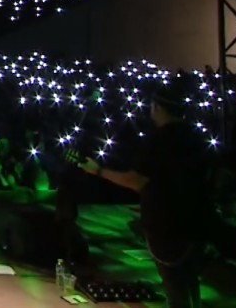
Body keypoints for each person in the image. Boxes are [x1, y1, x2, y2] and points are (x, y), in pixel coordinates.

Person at [77, 85, 211, 308]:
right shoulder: (195, 138)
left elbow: (136, 181)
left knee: (175, 285)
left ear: (157, 107)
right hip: (197, 222)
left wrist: (98, 171)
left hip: (168, 226)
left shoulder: (160, 140)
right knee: (189, 281)